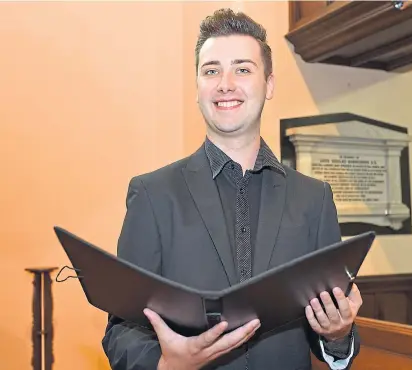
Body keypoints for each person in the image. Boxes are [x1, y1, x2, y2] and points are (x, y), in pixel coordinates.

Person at [102, 8, 363, 370]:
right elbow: (121, 329)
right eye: (211, 71)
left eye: (242, 69)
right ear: (197, 88)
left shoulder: (314, 199)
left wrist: (338, 335)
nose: (225, 83)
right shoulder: (152, 195)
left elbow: (329, 331)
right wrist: (164, 364)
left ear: (269, 85)